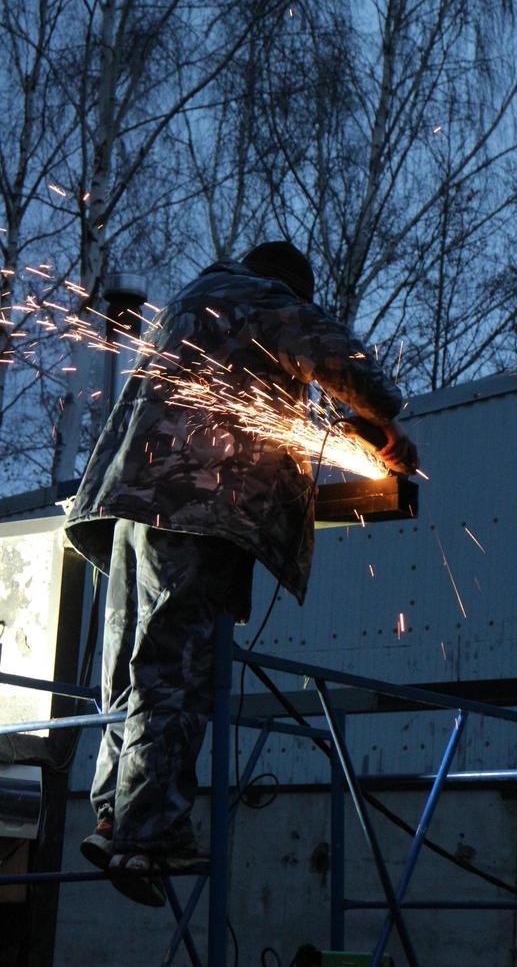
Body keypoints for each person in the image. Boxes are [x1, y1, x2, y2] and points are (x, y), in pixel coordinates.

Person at [65, 241, 418, 905]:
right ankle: (151, 835)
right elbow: (342, 361)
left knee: (131, 666)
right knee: (178, 668)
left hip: (129, 506)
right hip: (194, 509)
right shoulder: (264, 298)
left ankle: (113, 813)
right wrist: (384, 420)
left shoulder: (194, 307)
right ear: (289, 288)